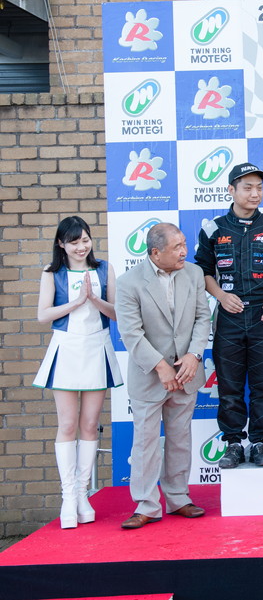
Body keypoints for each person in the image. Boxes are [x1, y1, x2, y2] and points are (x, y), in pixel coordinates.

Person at [115, 223, 211, 529]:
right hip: (148, 377)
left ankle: (179, 498)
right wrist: (161, 366)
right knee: (145, 443)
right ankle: (146, 505)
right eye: (177, 247)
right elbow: (130, 333)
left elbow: (202, 317)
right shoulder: (128, 283)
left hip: (187, 373)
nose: (184, 252)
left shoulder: (194, 274)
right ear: (155, 253)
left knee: (180, 439)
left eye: (184, 244)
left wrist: (194, 355)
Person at [195, 162, 263, 468]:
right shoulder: (213, 228)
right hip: (229, 316)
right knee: (230, 386)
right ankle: (234, 443)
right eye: (247, 188)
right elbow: (203, 272)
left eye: (259, 188)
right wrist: (221, 296)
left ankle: (260, 442)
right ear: (231, 190)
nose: (255, 193)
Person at [34, 216, 122, 529]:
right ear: (61, 244)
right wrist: (77, 302)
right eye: (74, 242)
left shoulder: (104, 269)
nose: (81, 247)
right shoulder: (52, 272)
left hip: (96, 348)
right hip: (67, 349)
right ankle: (68, 496)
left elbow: (117, 313)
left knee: (89, 424)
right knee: (68, 424)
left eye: (85, 240)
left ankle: (83, 494)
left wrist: (94, 299)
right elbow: (43, 315)